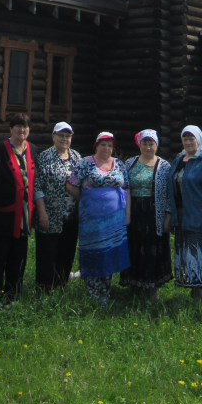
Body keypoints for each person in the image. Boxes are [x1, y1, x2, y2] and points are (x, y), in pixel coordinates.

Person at [66, 131, 130, 305]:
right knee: (94, 252)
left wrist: (127, 215)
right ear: (96, 145)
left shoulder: (119, 164)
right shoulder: (86, 163)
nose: (107, 148)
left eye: (110, 145)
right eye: (103, 144)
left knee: (108, 253)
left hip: (114, 220)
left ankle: (105, 292)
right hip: (92, 220)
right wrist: (86, 200)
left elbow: (127, 188)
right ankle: (93, 294)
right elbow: (71, 184)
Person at [165, 125, 202, 304]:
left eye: (191, 139)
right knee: (187, 256)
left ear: (199, 139)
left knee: (198, 255)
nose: (188, 142)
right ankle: (194, 295)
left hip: (198, 216)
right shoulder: (179, 159)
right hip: (181, 216)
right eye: (185, 139)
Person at [0, 113, 38, 300]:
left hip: (24, 216)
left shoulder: (32, 149)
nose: (21, 130)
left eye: (25, 126)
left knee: (18, 255)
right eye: (18, 126)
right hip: (3, 214)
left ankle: (13, 292)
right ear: (11, 128)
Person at [120, 129, 172, 299]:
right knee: (134, 247)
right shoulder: (129, 163)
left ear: (156, 145)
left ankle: (152, 289)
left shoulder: (164, 166)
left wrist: (167, 217)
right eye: (145, 143)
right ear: (139, 144)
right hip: (133, 212)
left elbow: (169, 194)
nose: (148, 147)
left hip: (153, 213)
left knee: (151, 249)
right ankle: (134, 285)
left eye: (151, 143)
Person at [34, 121, 81, 291]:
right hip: (50, 215)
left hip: (71, 216)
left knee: (66, 253)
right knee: (47, 253)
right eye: (61, 135)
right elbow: (37, 186)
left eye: (67, 136)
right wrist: (42, 213)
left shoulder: (76, 157)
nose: (64, 139)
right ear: (53, 137)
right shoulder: (45, 157)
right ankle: (43, 289)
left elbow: (82, 185)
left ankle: (61, 287)